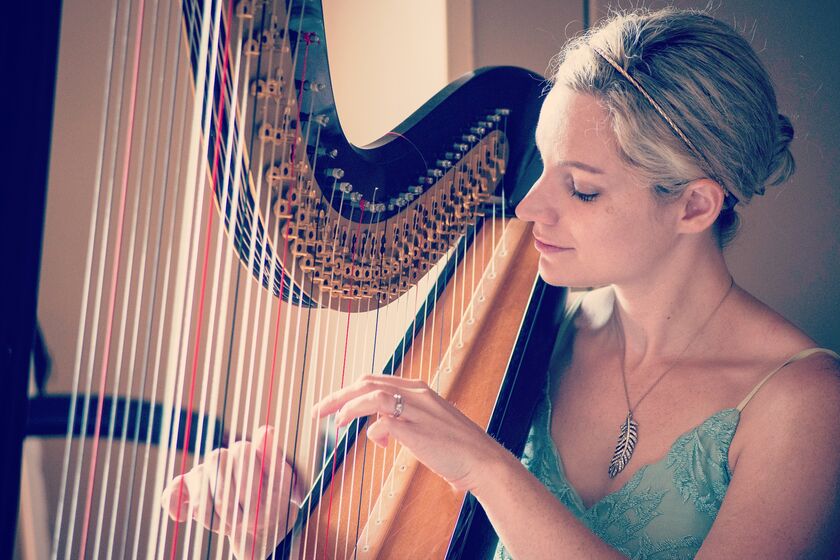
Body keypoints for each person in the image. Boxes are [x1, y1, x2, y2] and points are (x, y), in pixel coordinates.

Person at [163, 6, 840, 558]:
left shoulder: (803, 403)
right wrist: (277, 524)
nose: (527, 207)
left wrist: (488, 470)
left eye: (581, 189)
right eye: (541, 165)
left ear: (693, 206)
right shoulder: (528, 331)